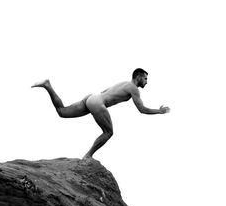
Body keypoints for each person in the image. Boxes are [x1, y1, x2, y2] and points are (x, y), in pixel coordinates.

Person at [31, 68, 170, 159]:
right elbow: (142, 109)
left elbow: (105, 91)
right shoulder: (133, 88)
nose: (146, 82)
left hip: (91, 98)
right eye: (145, 78)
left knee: (62, 111)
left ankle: (47, 85)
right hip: (97, 103)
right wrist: (159, 111)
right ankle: (88, 156)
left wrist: (96, 103)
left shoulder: (123, 83)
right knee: (109, 132)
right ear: (138, 77)